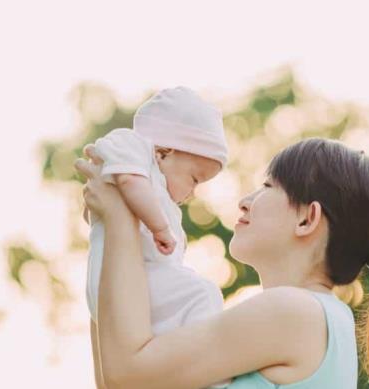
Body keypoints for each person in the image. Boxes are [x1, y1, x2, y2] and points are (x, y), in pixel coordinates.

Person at [76, 137, 369, 389]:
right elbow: (116, 377)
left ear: (307, 219)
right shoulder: (319, 317)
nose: (245, 201)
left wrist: (121, 218)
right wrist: (109, 232)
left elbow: (128, 374)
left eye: (267, 186)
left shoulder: (293, 312)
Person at [82, 86, 230, 387]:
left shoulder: (154, 186)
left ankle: (172, 370)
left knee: (186, 309)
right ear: (164, 152)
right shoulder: (132, 149)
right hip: (125, 285)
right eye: (194, 179)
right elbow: (127, 181)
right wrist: (160, 227)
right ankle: (212, 377)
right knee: (203, 293)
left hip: (132, 289)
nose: (192, 193)